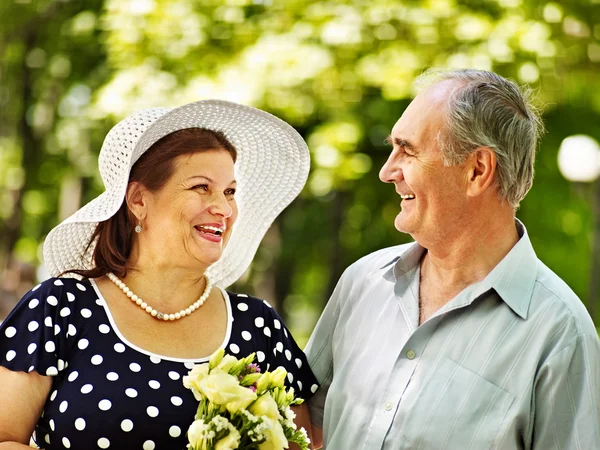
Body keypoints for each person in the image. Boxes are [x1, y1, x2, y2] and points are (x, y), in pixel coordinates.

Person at [306, 69, 600, 449]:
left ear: (477, 170)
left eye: (407, 150)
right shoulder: (361, 283)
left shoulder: (561, 336)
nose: (386, 171)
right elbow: (303, 430)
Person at [0, 100, 319, 449]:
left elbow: (304, 442)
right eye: (202, 188)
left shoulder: (257, 324)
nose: (224, 208)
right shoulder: (62, 307)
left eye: (230, 192)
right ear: (138, 200)